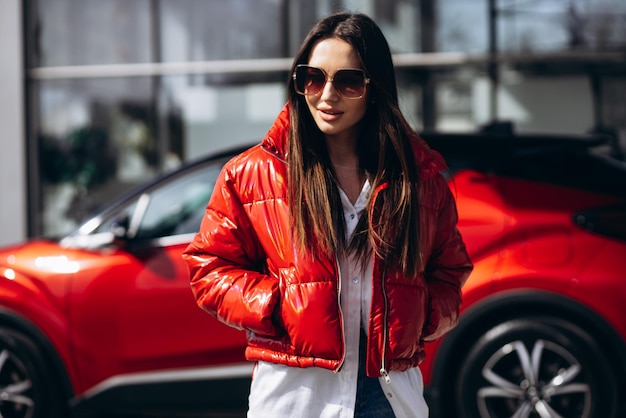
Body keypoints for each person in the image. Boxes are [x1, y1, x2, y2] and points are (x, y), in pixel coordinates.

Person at [183, 11, 472, 418]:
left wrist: (421, 313)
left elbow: (450, 270)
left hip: (389, 395)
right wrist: (276, 304)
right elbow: (208, 267)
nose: (327, 94)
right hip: (296, 396)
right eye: (313, 78)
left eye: (348, 80)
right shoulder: (253, 174)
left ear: (374, 88)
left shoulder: (417, 179)